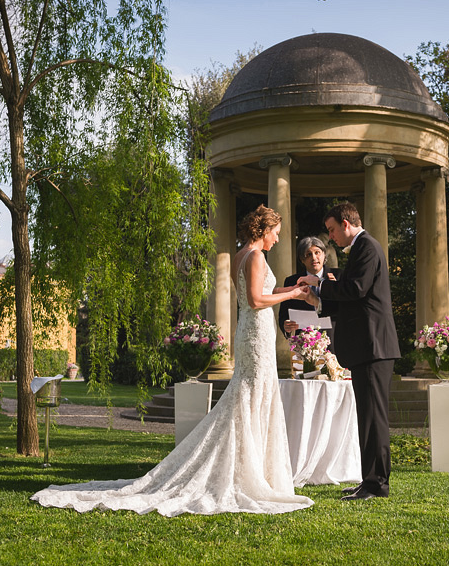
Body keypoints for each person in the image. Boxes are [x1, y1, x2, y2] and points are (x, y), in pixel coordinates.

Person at [31, 205, 314, 516]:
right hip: (255, 331)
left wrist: (294, 290)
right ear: (264, 230)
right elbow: (258, 299)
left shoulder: (241, 254)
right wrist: (289, 297)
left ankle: (252, 468)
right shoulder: (257, 255)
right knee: (250, 395)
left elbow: (265, 289)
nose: (277, 238)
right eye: (276, 232)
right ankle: (248, 472)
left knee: (250, 396)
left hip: (251, 329)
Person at [298, 203, 400, 500]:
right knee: (367, 416)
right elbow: (352, 292)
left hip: (373, 345)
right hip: (367, 345)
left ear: (345, 223)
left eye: (331, 230)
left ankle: (376, 484)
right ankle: (369, 480)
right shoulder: (361, 249)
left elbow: (356, 289)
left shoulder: (366, 247)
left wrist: (319, 285)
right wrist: (320, 294)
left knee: (374, 418)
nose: (330, 238)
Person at [278, 236, 340, 351]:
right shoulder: (291, 281)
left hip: (334, 342)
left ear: (324, 255)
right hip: (304, 344)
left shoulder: (339, 277)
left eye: (317, 253)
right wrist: (285, 325)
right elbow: (283, 314)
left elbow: (343, 309)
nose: (314, 258)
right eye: (308, 254)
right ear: (302, 259)